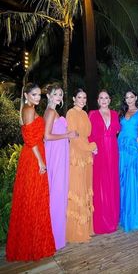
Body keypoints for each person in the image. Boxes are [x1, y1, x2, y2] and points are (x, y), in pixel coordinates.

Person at [6, 82, 55, 261]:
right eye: (33, 94)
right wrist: (41, 161)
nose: (37, 97)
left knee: (37, 198)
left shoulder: (30, 109)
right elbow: (30, 139)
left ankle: (36, 243)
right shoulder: (28, 110)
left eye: (38, 95)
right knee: (34, 198)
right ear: (26, 95)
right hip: (33, 158)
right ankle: (31, 245)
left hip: (36, 154)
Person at [44, 84, 77, 250]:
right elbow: (47, 136)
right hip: (55, 155)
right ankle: (54, 238)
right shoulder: (50, 112)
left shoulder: (55, 112)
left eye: (61, 94)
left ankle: (58, 234)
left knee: (61, 192)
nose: (59, 97)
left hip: (61, 153)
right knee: (56, 193)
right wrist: (67, 135)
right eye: (56, 94)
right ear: (49, 95)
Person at [66, 88, 97, 243]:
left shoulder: (85, 114)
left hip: (86, 155)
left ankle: (85, 228)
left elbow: (85, 135)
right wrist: (92, 147)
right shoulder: (71, 113)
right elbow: (74, 139)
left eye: (85, 97)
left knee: (85, 188)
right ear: (74, 98)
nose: (83, 100)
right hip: (77, 155)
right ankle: (77, 231)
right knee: (78, 189)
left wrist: (90, 147)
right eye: (80, 97)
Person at [89, 90, 120, 234]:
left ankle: (112, 219)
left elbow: (119, 131)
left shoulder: (114, 114)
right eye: (101, 97)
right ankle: (101, 221)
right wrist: (91, 148)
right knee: (100, 184)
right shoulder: (93, 114)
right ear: (97, 100)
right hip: (99, 152)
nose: (104, 100)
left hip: (113, 152)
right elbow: (88, 134)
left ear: (110, 100)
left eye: (106, 97)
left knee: (112, 183)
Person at [118, 91, 138, 232]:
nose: (129, 99)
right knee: (122, 179)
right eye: (127, 97)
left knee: (133, 180)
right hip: (121, 148)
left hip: (134, 148)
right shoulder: (122, 112)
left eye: (131, 97)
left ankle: (134, 216)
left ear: (136, 98)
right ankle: (123, 215)